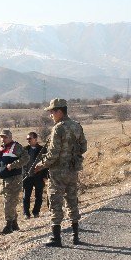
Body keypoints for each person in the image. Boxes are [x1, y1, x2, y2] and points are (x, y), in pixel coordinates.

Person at [34, 98, 87, 246]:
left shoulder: (58, 128)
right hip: (72, 170)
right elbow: (83, 147)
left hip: (58, 172)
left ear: (59, 111)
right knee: (72, 201)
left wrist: (41, 165)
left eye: (52, 112)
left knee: (55, 202)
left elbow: (53, 155)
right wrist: (71, 154)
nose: (50, 115)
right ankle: (76, 237)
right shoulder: (77, 126)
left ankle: (56, 238)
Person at [0, 129, 30, 235]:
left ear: (10, 137)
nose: (2, 139)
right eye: (1, 137)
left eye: (5, 137)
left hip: (14, 179)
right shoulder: (2, 148)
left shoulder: (16, 147)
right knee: (10, 202)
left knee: (9, 202)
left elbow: (26, 158)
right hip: (4, 180)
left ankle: (8, 226)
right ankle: (14, 224)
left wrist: (13, 165)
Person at [22, 132, 48, 218]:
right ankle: (26, 213)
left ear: (35, 139)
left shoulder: (43, 149)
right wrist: (23, 174)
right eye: (27, 139)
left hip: (39, 176)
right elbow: (21, 164)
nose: (28, 140)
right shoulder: (24, 150)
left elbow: (46, 164)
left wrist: (45, 176)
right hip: (27, 176)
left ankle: (36, 212)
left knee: (39, 196)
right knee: (26, 196)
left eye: (30, 138)